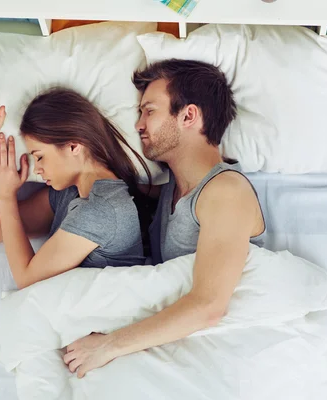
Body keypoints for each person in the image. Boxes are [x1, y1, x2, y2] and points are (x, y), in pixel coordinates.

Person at [63, 59, 266, 377]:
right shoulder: (174, 187)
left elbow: (209, 307)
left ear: (189, 115)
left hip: (216, 352)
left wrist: (108, 346)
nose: (138, 125)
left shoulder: (226, 191)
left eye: (149, 111)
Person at [0, 87, 152, 289]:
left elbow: (27, 279)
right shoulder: (68, 195)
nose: (37, 169)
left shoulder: (102, 209)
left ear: (73, 146)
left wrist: (6, 197)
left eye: (40, 156)